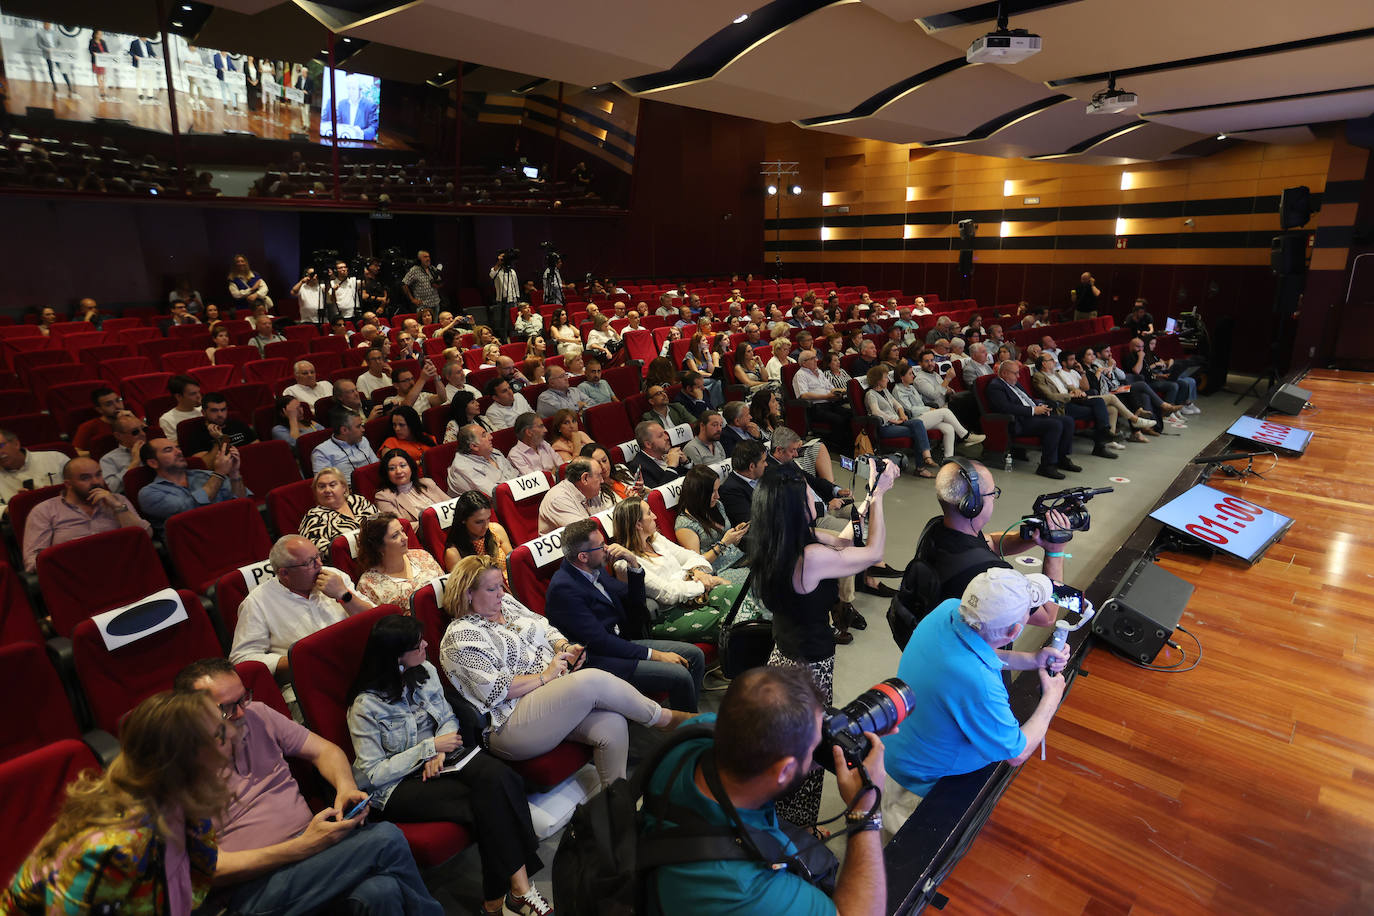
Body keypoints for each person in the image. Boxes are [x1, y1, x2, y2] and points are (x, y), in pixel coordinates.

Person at [174, 658, 441, 916]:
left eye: (244, 697)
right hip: (254, 887)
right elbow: (210, 867)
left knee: (381, 892)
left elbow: (326, 751)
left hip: (311, 856)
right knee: (386, 839)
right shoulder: (175, 771)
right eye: (228, 708)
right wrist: (303, 846)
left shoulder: (258, 715)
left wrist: (345, 788)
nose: (242, 712)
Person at [346, 615, 551, 916]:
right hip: (397, 785)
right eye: (418, 644)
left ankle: (501, 898)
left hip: (440, 759)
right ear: (396, 656)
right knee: (486, 805)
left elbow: (446, 718)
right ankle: (511, 894)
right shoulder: (364, 706)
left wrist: (438, 750)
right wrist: (428, 749)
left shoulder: (424, 671)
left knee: (503, 778)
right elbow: (372, 773)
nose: (426, 645)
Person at [645, 666, 887, 916]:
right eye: (815, 745)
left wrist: (814, 746)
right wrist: (866, 811)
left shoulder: (698, 733)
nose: (818, 748)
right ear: (783, 771)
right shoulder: (745, 888)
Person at [439, 556, 691, 787]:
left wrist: (564, 646)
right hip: (510, 722)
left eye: (501, 586)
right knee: (590, 680)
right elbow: (495, 691)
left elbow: (544, 627)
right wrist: (546, 676)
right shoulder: (460, 637)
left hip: (554, 698)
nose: (501, 594)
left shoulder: (506, 605)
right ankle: (664, 719)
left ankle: (616, 808)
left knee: (613, 724)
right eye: (491, 589)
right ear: (467, 593)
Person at [750, 458, 899, 827]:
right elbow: (872, 554)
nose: (816, 500)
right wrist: (879, 498)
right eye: (808, 495)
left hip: (783, 654)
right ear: (796, 506)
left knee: (792, 742)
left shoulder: (779, 540)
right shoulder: (809, 558)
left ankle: (784, 820)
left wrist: (869, 494)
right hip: (808, 667)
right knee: (810, 748)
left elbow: (847, 538)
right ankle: (798, 828)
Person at [1, 691, 230, 914]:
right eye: (219, 733)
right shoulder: (111, 849)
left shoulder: (183, 801)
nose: (232, 734)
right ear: (182, 760)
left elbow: (192, 886)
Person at [882, 569, 1069, 834]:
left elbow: (981, 652)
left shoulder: (947, 611)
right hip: (918, 787)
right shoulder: (979, 684)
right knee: (900, 858)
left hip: (895, 752)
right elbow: (1016, 753)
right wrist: (1051, 698)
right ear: (1015, 630)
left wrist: (1033, 660)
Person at [546, 518, 706, 711]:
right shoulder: (564, 589)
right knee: (679, 675)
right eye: (601, 546)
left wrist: (633, 563)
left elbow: (634, 601)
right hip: (601, 660)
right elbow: (600, 642)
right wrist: (655, 655)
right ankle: (689, 731)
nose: (607, 549)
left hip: (620, 644)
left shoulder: (595, 570)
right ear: (583, 557)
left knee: (695, 655)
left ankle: (688, 718)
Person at [610, 496, 745, 644]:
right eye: (649, 513)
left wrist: (696, 571)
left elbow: (692, 556)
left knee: (738, 594)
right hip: (669, 614)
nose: (655, 516)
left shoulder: (655, 539)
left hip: (693, 595)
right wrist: (709, 581)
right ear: (638, 525)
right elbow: (668, 594)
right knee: (731, 622)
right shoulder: (626, 564)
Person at [22, 457, 150, 572]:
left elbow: (146, 536)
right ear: (68, 484)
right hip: (75, 576)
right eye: (85, 478)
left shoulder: (118, 500)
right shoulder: (44, 511)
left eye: (98, 475)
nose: (96, 482)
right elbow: (33, 562)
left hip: (124, 568)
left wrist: (118, 507)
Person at [984, 360, 1080, 480]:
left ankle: (1062, 458)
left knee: (1068, 421)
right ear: (1004, 373)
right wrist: (1034, 410)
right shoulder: (996, 386)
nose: (1018, 376)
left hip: (1032, 415)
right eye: (1015, 373)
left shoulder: (1014, 383)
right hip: (1019, 421)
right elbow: (1005, 408)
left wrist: (1042, 406)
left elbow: (1028, 399)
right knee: (1055, 425)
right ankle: (1046, 465)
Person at [137, 438, 245, 531]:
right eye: (168, 450)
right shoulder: (149, 493)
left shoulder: (206, 475)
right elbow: (189, 509)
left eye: (178, 447)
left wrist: (234, 473)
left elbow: (241, 503)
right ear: (153, 463)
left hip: (230, 530)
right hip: (192, 546)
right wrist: (220, 473)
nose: (179, 452)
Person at [1031, 353, 1117, 459]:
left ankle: (1104, 432)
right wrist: (1070, 395)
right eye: (1051, 360)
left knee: (1098, 401)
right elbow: (1050, 395)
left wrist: (1076, 391)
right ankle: (1100, 444)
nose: (1054, 362)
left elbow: (1067, 386)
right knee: (1097, 411)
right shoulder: (1039, 376)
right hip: (1062, 404)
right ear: (1044, 364)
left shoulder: (1055, 373)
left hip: (1073, 399)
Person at [354, 514, 445, 606]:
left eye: (402, 531)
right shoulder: (368, 585)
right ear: (378, 546)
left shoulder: (422, 556)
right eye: (395, 536)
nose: (405, 538)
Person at [864, 365, 940, 476]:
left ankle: (926, 458)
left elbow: (897, 404)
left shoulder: (885, 391)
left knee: (918, 423)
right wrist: (894, 421)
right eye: (885, 377)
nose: (888, 379)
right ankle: (921, 467)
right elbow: (876, 412)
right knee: (917, 432)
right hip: (886, 426)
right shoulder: (871, 394)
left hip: (897, 421)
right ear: (878, 380)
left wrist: (902, 413)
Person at [299, 467, 377, 552]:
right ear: (316, 492)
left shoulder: (358, 501)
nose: (327, 490)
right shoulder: (313, 517)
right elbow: (316, 551)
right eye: (321, 487)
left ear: (343, 487)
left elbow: (380, 521)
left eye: (332, 485)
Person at [443, 490, 514, 577]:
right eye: (479, 522)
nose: (486, 526)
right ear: (463, 520)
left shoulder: (496, 529)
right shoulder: (453, 553)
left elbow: (514, 565)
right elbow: (464, 588)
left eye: (488, 518)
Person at [533, 456, 607, 534]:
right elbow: (586, 534)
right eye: (599, 475)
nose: (602, 480)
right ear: (584, 478)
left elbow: (605, 523)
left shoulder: (590, 492)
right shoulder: (558, 499)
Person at [372, 448, 447, 522]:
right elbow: (401, 527)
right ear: (386, 473)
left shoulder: (427, 483)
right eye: (392, 468)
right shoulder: (384, 497)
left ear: (411, 467)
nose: (398, 471)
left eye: (403, 466)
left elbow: (452, 504)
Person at [181, 391, 257, 462]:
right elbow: (205, 465)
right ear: (203, 412)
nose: (220, 415)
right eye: (214, 410)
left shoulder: (237, 423)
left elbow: (256, 447)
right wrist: (219, 441)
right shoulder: (196, 433)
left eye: (223, 410)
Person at [447, 423, 518, 496]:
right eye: (484, 435)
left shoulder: (494, 452)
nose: (491, 437)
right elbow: (495, 494)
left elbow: (516, 475)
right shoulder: (462, 468)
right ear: (474, 446)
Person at [312, 410, 379, 475]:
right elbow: (324, 483)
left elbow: (377, 465)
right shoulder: (322, 452)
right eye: (358, 426)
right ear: (344, 430)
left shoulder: (363, 440)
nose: (363, 429)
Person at [626, 420, 687, 488]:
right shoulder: (639, 467)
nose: (667, 437)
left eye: (665, 433)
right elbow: (657, 494)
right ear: (648, 444)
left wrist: (686, 463)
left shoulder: (669, 452)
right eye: (660, 436)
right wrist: (671, 467)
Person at [100, 413, 148, 494]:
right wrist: (134, 463)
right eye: (135, 432)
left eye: (144, 429)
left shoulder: (154, 447)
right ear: (118, 436)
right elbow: (112, 489)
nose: (143, 434)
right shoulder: (108, 459)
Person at [72, 387, 125, 456]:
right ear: (99, 409)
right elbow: (75, 453)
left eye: (118, 400)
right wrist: (99, 454)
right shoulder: (88, 427)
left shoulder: (132, 418)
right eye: (109, 404)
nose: (117, 406)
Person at [508, 412, 559, 476]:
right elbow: (535, 480)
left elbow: (562, 466)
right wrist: (554, 471)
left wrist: (556, 471)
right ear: (529, 432)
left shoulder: (544, 444)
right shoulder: (515, 455)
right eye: (541, 426)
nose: (545, 430)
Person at [158, 374, 203, 443]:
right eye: (193, 394)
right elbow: (174, 446)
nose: (199, 396)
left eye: (198, 392)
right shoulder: (167, 419)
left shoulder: (204, 410)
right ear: (178, 396)